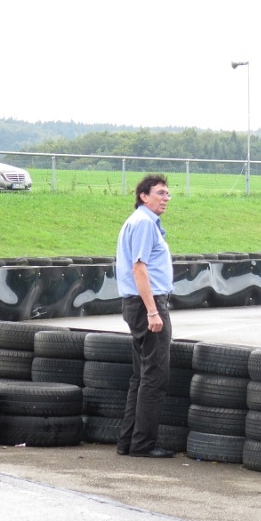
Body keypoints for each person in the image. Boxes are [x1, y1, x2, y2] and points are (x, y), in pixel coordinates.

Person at [115, 174, 175, 458]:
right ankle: (143, 445)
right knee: (154, 376)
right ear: (144, 196)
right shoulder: (143, 224)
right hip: (146, 304)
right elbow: (139, 268)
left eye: (168, 194)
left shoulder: (140, 222)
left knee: (141, 376)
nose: (166, 198)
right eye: (161, 193)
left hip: (137, 304)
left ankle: (128, 442)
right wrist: (153, 311)